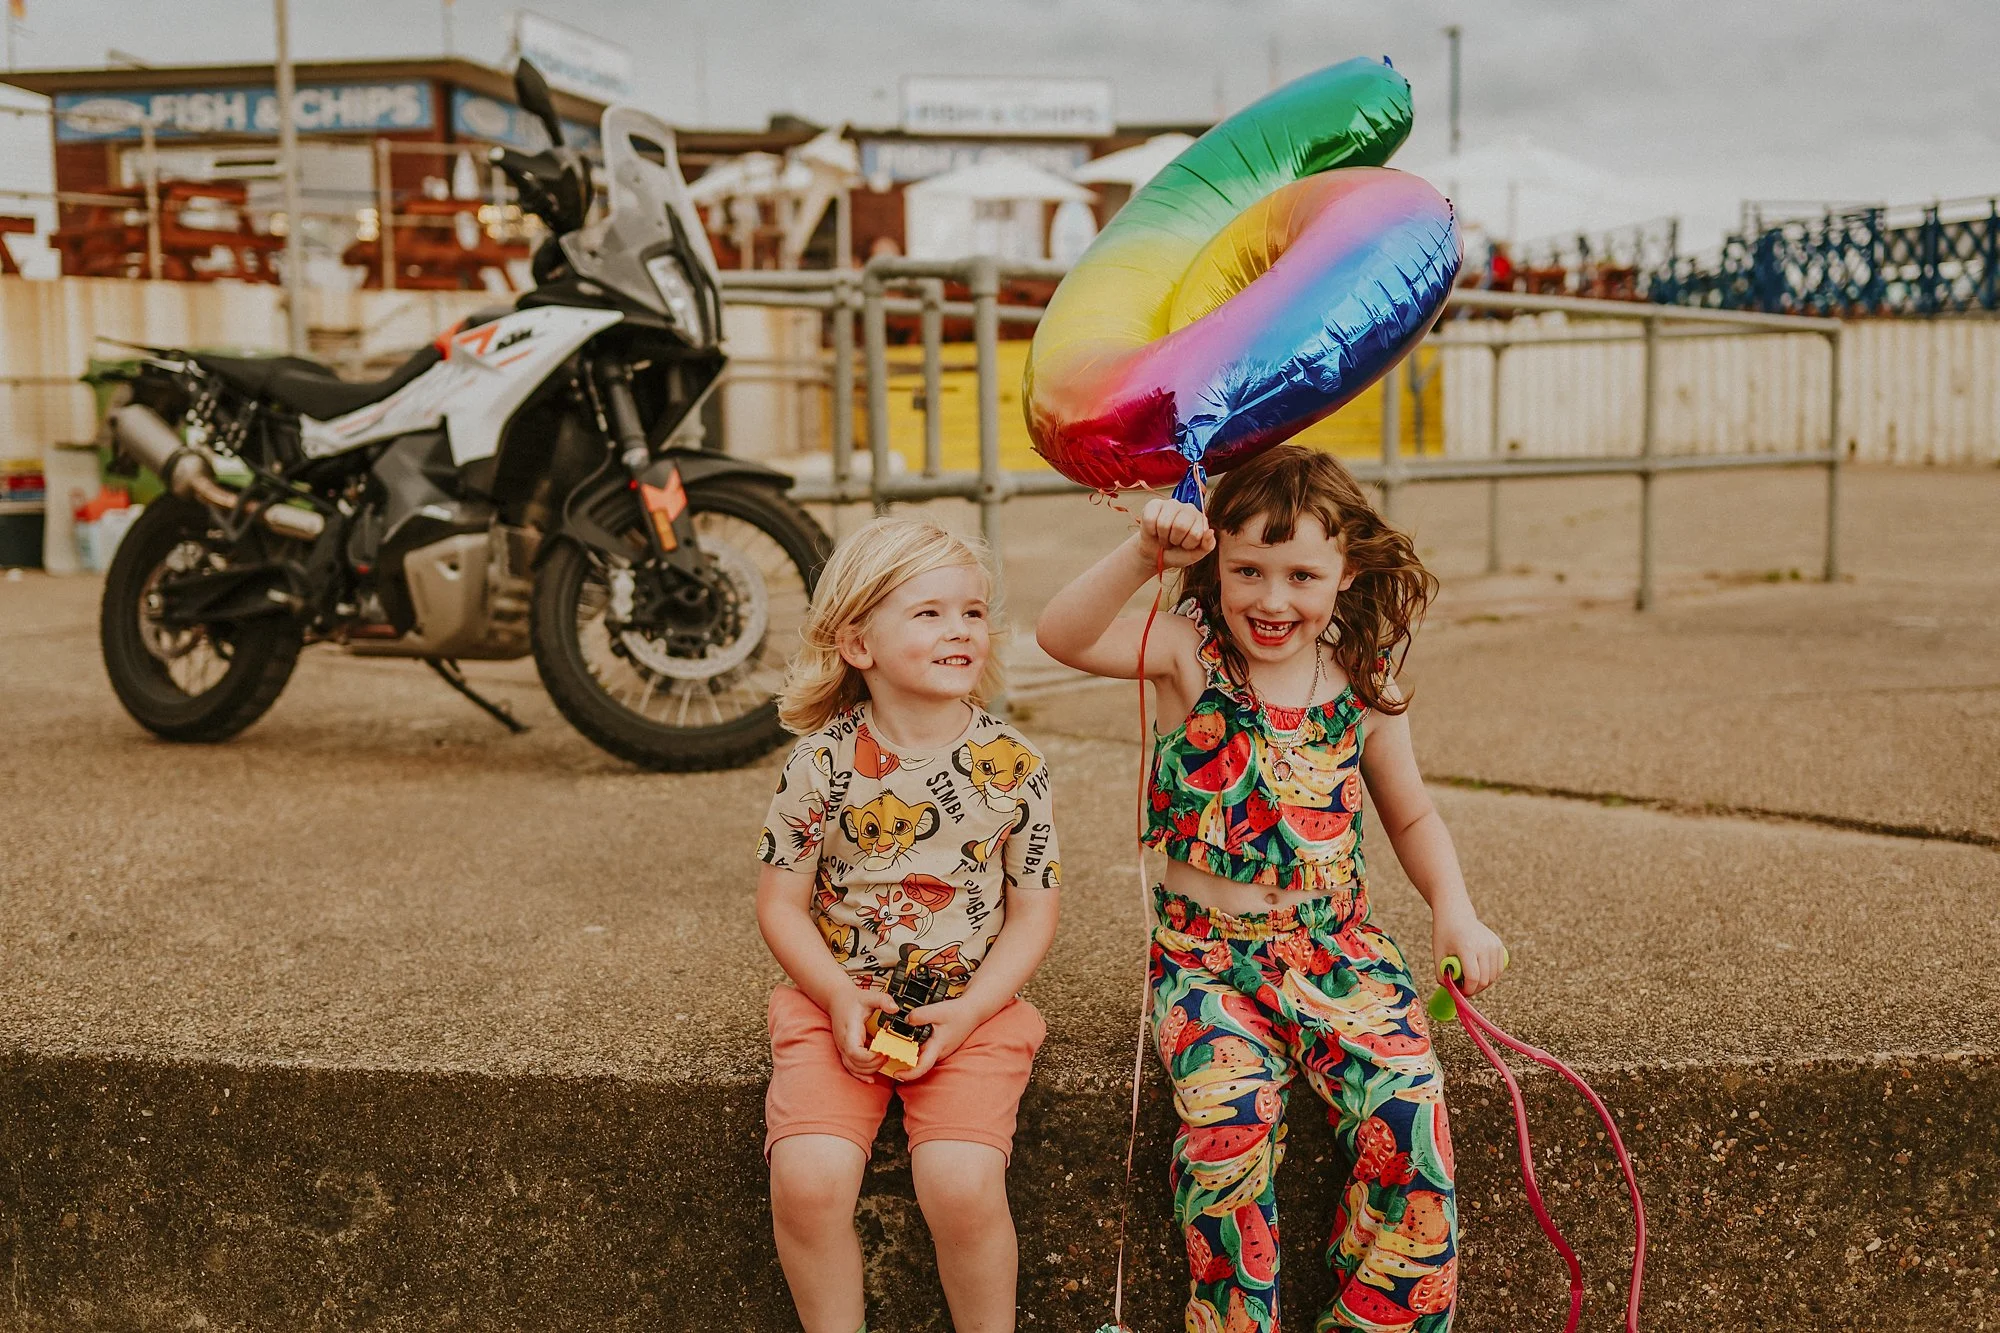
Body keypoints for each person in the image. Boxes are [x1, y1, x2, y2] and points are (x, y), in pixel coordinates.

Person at [1036, 445, 1505, 1333]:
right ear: (1214, 562)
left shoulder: (1363, 679)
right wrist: (1143, 553)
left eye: (1302, 575)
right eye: (1247, 569)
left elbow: (1411, 816)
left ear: (1346, 571)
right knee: (1228, 1130)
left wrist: (1456, 909)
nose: (1273, 599)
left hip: (1338, 955)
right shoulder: (1188, 654)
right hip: (1207, 963)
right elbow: (1062, 636)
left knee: (1410, 1107)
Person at [756, 515, 1061, 1333]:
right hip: (835, 1004)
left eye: (973, 611)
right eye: (929, 612)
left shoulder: (1016, 768)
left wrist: (973, 1009)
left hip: (973, 1010)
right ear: (859, 642)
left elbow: (1034, 911)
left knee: (961, 1184)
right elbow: (779, 903)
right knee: (808, 1181)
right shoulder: (817, 765)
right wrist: (835, 995)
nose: (961, 629)